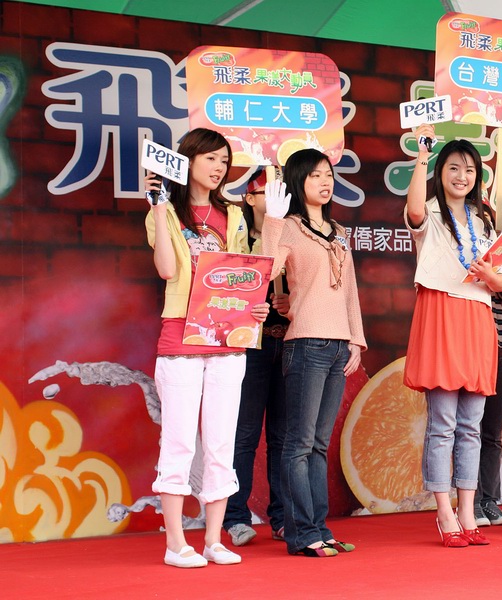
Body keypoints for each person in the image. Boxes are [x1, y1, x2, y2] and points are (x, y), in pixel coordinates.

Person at [144, 127, 270, 567]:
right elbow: (166, 269)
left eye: (224, 161)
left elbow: (241, 274)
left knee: (220, 443)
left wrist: (254, 307)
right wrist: (159, 207)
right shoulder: (164, 211)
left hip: (226, 341)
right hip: (179, 338)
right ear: (188, 160)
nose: (219, 168)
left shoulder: (233, 215)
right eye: (210, 158)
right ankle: (176, 543)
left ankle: (214, 540)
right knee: (179, 442)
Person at [403, 124, 502, 548]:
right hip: (442, 312)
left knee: (471, 425)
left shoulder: (485, 221)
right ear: (440, 171)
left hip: (478, 316)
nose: (461, 176)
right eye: (453, 168)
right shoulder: (430, 212)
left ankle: (468, 511)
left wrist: (493, 276)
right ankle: (444, 512)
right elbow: (413, 209)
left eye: (469, 169)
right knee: (443, 423)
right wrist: (422, 155)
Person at [261, 149, 367, 556]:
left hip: (338, 345)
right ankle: (302, 533)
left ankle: (319, 528)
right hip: (305, 343)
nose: (325, 182)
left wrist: (356, 340)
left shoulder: (338, 230)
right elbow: (265, 271)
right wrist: (272, 220)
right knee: (299, 444)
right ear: (298, 180)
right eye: (315, 176)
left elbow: (350, 291)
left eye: (329, 175)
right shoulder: (288, 227)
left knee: (320, 444)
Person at [224, 169, 291, 546]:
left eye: (282, 190)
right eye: (267, 191)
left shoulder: (294, 234)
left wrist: (291, 300)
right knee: (245, 435)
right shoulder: (238, 237)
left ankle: (281, 516)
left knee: (282, 437)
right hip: (249, 347)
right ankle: (235, 516)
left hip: (289, 344)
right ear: (249, 198)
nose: (276, 196)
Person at [474, 205, 502, 528]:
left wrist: (494, 275)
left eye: (487, 222)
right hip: (470, 347)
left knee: (492, 432)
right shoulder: (455, 251)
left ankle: (489, 500)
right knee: (468, 429)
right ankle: (470, 501)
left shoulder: (499, 259)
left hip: (500, 347)